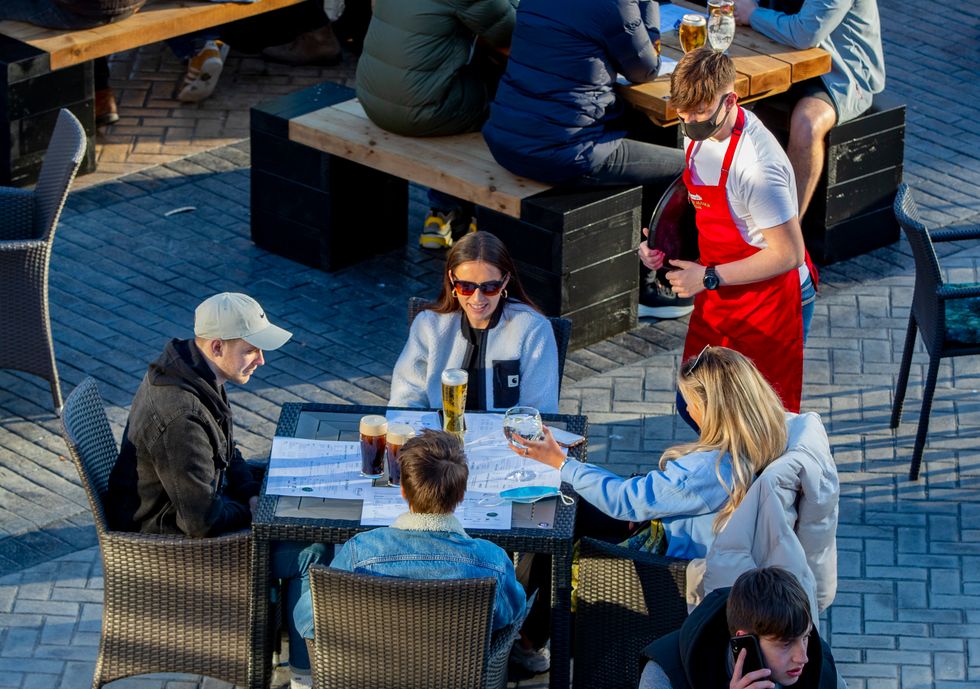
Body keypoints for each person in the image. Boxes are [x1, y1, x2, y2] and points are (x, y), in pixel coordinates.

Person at [106, 292, 326, 689]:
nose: (261, 360)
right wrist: (256, 509)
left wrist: (252, 490)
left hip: (194, 511)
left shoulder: (196, 373)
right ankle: (302, 677)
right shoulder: (181, 415)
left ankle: (280, 641)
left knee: (299, 517)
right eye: (251, 350)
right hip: (171, 548)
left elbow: (227, 449)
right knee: (309, 552)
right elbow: (202, 522)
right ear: (218, 346)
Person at [639, 48, 816, 417]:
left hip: (770, 300)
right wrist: (661, 245)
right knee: (695, 406)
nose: (690, 123)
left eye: (700, 113)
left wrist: (707, 276)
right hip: (722, 291)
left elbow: (789, 253)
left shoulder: (758, 168)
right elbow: (700, 205)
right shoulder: (695, 132)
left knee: (758, 427)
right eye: (683, 113)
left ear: (731, 100)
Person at [293, 430, 527, 640]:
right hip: (462, 671)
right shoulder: (492, 561)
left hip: (371, 670)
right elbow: (511, 615)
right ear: (462, 495)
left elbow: (307, 621)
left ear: (404, 491)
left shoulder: (360, 553)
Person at [356, 0, 518, 248]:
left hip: (372, 98)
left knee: (465, 75)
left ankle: (444, 212)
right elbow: (511, 30)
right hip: (420, 112)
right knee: (505, 93)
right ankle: (481, 214)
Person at [482, 0, 685, 188]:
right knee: (692, 167)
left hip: (503, 141)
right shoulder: (616, 4)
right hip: (565, 153)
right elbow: (646, 71)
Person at [733, 0, 885, 219]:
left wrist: (753, 15)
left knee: (807, 125)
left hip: (839, 72)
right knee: (721, 97)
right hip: (774, 51)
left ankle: (788, 228)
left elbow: (806, 33)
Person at [389, 232, 559, 413]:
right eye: (466, 286)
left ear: (504, 282)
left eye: (490, 287)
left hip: (508, 431)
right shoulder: (429, 325)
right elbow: (405, 398)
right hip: (437, 430)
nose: (477, 298)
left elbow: (540, 412)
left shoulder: (532, 329)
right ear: (452, 280)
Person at [638, 567, 841, 689]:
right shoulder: (665, 673)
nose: (803, 657)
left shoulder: (818, 660)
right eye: (785, 644)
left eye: (805, 637)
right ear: (744, 642)